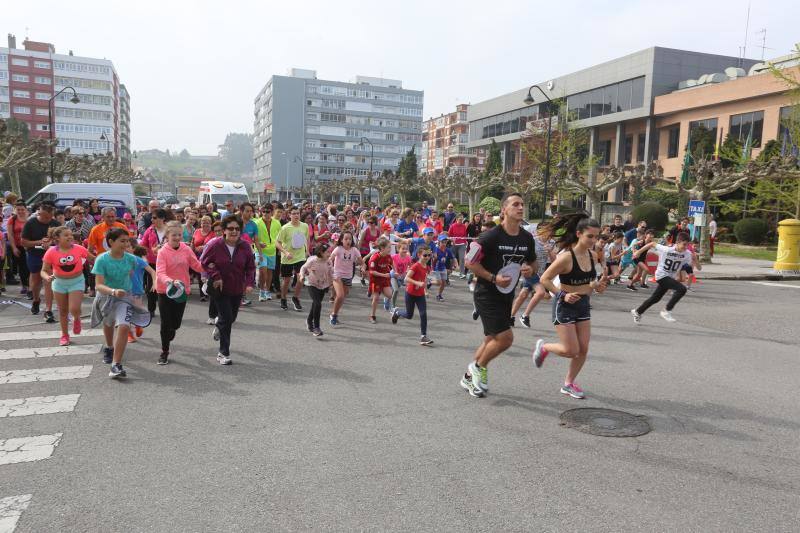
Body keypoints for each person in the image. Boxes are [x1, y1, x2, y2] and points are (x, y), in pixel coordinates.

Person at [460, 193, 537, 398]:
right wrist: (493, 278)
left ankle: (468, 377)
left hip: (506, 295)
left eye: (522, 204)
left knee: (490, 340)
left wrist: (529, 269)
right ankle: (478, 367)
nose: (520, 208)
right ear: (504, 210)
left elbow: (533, 262)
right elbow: (469, 262)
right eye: (515, 204)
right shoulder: (490, 236)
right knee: (505, 339)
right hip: (486, 294)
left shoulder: (526, 237)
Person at [532, 213, 608, 399]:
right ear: (579, 234)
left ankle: (568, 383)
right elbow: (545, 279)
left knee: (583, 349)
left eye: (596, 236)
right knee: (571, 350)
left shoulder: (592, 256)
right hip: (564, 305)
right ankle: (545, 348)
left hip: (583, 305)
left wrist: (597, 286)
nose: (593, 240)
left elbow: (589, 282)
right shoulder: (566, 257)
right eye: (590, 236)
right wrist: (562, 295)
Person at [91, 227, 151, 378]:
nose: (126, 244)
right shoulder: (101, 259)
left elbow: (137, 274)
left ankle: (116, 365)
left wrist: (135, 296)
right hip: (106, 296)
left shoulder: (131, 259)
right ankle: (109, 347)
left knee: (124, 326)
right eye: (122, 241)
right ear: (111, 242)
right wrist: (112, 291)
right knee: (108, 324)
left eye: (127, 241)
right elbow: (98, 285)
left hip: (124, 297)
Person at [200, 215, 256, 365]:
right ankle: (223, 353)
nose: (234, 231)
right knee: (226, 318)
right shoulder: (215, 245)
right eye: (230, 228)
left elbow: (250, 267)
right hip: (220, 288)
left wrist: (250, 283)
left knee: (231, 318)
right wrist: (215, 275)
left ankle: (219, 326)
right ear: (224, 230)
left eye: (237, 229)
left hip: (237, 288)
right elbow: (204, 262)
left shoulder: (245, 246)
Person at [155, 223, 203, 365]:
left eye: (179, 235)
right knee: (165, 323)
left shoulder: (186, 249)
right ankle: (164, 351)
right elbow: (160, 273)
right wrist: (170, 281)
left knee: (175, 324)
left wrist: (209, 267)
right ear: (167, 236)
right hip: (165, 290)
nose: (176, 237)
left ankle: (171, 330)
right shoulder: (163, 252)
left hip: (182, 291)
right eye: (173, 235)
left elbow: (196, 265)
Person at [631, 231, 700, 324]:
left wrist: (696, 261)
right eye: (684, 244)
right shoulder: (667, 249)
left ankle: (638, 312)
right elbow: (652, 243)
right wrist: (638, 252)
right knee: (682, 289)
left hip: (669, 276)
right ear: (678, 242)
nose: (685, 247)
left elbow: (689, 267)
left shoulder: (687, 254)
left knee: (655, 298)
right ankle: (666, 311)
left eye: (687, 245)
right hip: (661, 275)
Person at [40, 227, 91, 346]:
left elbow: (93, 259)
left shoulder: (79, 248)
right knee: (62, 311)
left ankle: (77, 318)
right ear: (57, 238)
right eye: (66, 235)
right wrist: (47, 277)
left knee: (74, 308)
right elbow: (43, 270)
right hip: (59, 283)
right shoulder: (51, 252)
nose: (70, 237)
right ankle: (64, 335)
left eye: (70, 235)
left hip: (77, 281)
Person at [21, 202, 60, 321]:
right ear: (39, 213)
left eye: (50, 217)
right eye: (45, 217)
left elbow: (61, 240)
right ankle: (36, 299)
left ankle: (48, 310)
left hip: (51, 256)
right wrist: (39, 242)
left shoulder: (56, 224)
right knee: (36, 280)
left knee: (49, 281)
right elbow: (24, 242)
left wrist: (51, 243)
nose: (48, 220)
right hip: (35, 255)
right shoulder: (31, 223)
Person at [511, 231, 555, 328]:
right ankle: (525, 316)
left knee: (523, 294)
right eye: (547, 231)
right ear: (540, 231)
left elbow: (554, 261)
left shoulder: (551, 242)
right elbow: (523, 255)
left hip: (541, 273)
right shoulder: (532, 241)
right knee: (540, 292)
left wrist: (550, 251)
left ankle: (510, 316)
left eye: (550, 232)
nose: (549, 234)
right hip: (529, 270)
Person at [391, 244, 433, 345]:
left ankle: (423, 336)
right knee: (409, 315)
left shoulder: (426, 267)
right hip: (410, 294)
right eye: (425, 255)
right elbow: (406, 279)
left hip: (420, 295)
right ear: (419, 255)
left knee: (423, 314)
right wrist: (417, 283)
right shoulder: (416, 266)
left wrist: (425, 291)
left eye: (429, 255)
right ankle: (397, 313)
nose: (427, 257)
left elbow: (425, 279)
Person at [275, 206, 308, 311]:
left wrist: (307, 250)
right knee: (287, 280)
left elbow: (306, 239)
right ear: (289, 215)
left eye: (298, 213)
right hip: (287, 257)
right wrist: (285, 252)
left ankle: (295, 298)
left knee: (301, 278)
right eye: (293, 213)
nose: (296, 215)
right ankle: (283, 298)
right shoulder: (285, 228)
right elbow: (277, 242)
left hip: (300, 256)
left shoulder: (305, 226)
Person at [139, 208, 171, 317]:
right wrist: (144, 257)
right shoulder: (150, 230)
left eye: (154, 218)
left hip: (167, 263)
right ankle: (151, 309)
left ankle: (166, 309)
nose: (152, 220)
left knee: (166, 286)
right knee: (151, 287)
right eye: (152, 218)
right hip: (152, 262)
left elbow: (177, 243)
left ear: (162, 218)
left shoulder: (170, 230)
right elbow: (143, 245)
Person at [328, 231, 364, 325]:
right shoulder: (338, 249)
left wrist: (363, 267)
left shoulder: (354, 250)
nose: (348, 241)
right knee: (340, 295)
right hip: (337, 274)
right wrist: (327, 267)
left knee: (342, 297)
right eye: (346, 239)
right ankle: (334, 315)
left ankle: (334, 314)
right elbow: (330, 259)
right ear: (341, 240)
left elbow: (361, 262)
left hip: (348, 276)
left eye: (350, 239)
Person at [299, 243, 333, 337]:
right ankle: (316, 328)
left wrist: (331, 285)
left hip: (323, 285)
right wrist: (302, 275)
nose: (329, 254)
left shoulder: (328, 262)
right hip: (311, 284)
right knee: (318, 303)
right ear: (321, 253)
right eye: (327, 252)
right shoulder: (313, 260)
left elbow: (331, 273)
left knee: (315, 304)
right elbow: (303, 267)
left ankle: (309, 321)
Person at [254, 205, 281, 302]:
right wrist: (258, 243)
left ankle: (267, 291)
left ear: (272, 212)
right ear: (261, 212)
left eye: (268, 211)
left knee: (270, 273)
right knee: (262, 271)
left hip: (272, 251)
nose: (266, 213)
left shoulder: (277, 223)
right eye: (264, 211)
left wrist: (280, 249)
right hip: (260, 251)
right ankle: (261, 291)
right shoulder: (256, 223)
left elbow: (280, 237)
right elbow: (251, 236)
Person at [367, 237, 393, 322]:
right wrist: (383, 275)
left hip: (384, 279)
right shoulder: (375, 258)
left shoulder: (388, 256)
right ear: (382, 248)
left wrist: (396, 272)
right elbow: (372, 271)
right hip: (376, 280)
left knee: (389, 295)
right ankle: (372, 315)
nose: (390, 249)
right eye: (388, 247)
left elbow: (392, 265)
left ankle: (380, 293)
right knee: (376, 298)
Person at [6, 201, 30, 296]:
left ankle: (31, 286)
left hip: (29, 246)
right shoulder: (12, 219)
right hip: (18, 246)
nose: (20, 211)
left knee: (29, 267)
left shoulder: (30, 219)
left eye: (22, 209)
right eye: (18, 209)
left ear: (26, 209)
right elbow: (10, 234)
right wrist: (14, 247)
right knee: (22, 267)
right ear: (15, 210)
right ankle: (25, 286)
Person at [432, 234, 457, 301]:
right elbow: (433, 259)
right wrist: (433, 266)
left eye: (445, 242)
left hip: (443, 268)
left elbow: (453, 258)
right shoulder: (436, 250)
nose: (444, 244)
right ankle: (430, 282)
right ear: (438, 242)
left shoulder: (448, 250)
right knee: (439, 282)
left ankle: (439, 295)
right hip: (436, 268)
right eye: (442, 242)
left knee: (444, 283)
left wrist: (454, 266)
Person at [448, 213, 469, 279]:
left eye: (462, 219)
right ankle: (450, 271)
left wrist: (465, 242)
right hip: (454, 244)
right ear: (456, 219)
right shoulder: (452, 226)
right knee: (451, 258)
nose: (461, 220)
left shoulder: (463, 226)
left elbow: (465, 235)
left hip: (462, 244)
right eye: (460, 219)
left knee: (462, 258)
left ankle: (461, 273)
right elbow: (449, 235)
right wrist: (452, 240)